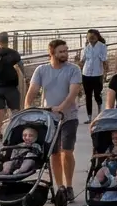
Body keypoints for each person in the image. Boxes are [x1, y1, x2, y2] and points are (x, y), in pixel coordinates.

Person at [24, 39, 82, 197]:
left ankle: (69, 185)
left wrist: (61, 107)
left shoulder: (73, 70)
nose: (65, 54)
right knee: (54, 153)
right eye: (61, 51)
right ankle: (60, 186)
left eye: (66, 51)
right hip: (49, 119)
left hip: (68, 117)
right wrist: (28, 106)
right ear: (52, 53)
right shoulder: (41, 70)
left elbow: (73, 93)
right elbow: (33, 90)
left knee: (67, 151)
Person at [0, 32, 24, 141]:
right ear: (8, 40)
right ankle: (14, 131)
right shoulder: (13, 53)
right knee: (15, 110)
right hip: (11, 86)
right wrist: (25, 79)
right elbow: (21, 66)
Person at [89, 130, 117, 203]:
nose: (115, 141)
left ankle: (116, 180)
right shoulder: (110, 148)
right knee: (102, 170)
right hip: (109, 167)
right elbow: (106, 155)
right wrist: (109, 155)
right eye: (113, 138)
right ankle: (97, 184)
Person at [76, 29, 108, 121]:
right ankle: (89, 117)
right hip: (86, 73)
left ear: (97, 37)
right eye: (89, 37)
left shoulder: (102, 46)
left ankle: (99, 113)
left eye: (93, 37)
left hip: (97, 74)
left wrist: (105, 69)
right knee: (88, 95)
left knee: (97, 94)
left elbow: (104, 58)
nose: (91, 39)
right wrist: (78, 66)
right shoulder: (86, 47)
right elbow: (83, 59)